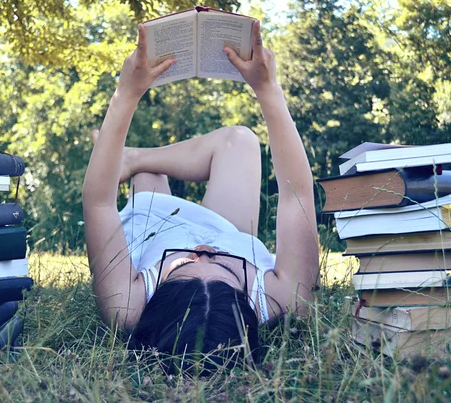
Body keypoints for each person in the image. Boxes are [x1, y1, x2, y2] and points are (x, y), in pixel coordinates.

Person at [82, 21, 319, 370]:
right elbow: (296, 195)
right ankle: (132, 159)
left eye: (187, 265)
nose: (204, 253)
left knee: (150, 177)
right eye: (224, 268)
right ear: (248, 302)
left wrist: (127, 93)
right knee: (240, 141)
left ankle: (136, 163)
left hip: (155, 229)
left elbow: (98, 201)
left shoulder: (125, 305)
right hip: (229, 233)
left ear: (156, 301)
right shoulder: (285, 300)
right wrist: (268, 89)